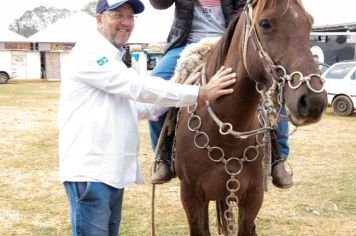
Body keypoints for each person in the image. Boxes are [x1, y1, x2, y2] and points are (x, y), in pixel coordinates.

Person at [57, 0, 237, 234]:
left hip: (109, 173)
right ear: (99, 18)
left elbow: (138, 107)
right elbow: (137, 87)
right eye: (117, 15)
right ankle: (164, 156)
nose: (126, 22)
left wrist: (179, 89)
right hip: (91, 173)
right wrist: (200, 92)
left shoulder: (113, 59)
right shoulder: (91, 53)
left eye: (130, 17)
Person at [148, 0, 293, 189]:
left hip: (230, 43)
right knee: (156, 87)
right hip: (186, 44)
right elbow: (159, 5)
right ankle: (164, 157)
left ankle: (278, 158)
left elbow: (245, 12)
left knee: (273, 85)